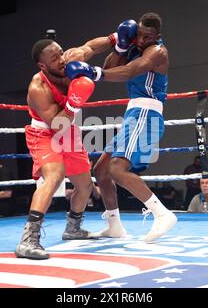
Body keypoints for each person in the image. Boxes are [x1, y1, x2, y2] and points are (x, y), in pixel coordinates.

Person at [65, 13, 177, 241]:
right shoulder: (134, 39)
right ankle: (114, 225)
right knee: (102, 170)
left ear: (157, 36)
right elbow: (111, 64)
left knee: (117, 169)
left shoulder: (157, 52)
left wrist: (94, 73)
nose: (142, 40)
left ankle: (162, 214)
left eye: (148, 37)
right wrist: (120, 48)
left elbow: (130, 72)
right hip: (133, 113)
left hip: (147, 112)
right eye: (140, 35)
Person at [15, 34, 114, 260]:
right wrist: (74, 102)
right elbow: (57, 122)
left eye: (60, 52)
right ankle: (28, 240)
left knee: (85, 185)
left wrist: (115, 38)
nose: (61, 59)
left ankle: (73, 228)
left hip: (69, 132)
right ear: (42, 65)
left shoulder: (69, 59)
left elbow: (90, 47)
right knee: (55, 176)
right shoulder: (37, 87)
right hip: (45, 132)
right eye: (54, 58)